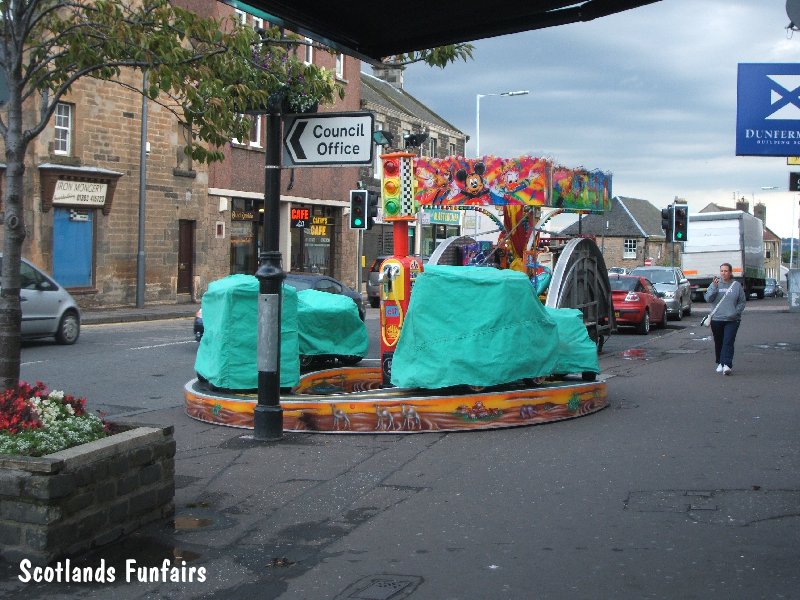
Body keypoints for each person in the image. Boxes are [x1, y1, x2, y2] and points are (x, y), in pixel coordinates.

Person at [704, 263, 746, 375]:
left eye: (726, 271)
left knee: (728, 341)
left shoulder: (736, 285)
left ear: (730, 272)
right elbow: (708, 298)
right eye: (722, 271)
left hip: (732, 320)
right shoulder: (715, 284)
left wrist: (736, 313)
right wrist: (713, 287)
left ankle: (727, 364)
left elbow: (742, 301)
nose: (723, 273)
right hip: (717, 319)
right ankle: (720, 363)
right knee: (719, 342)